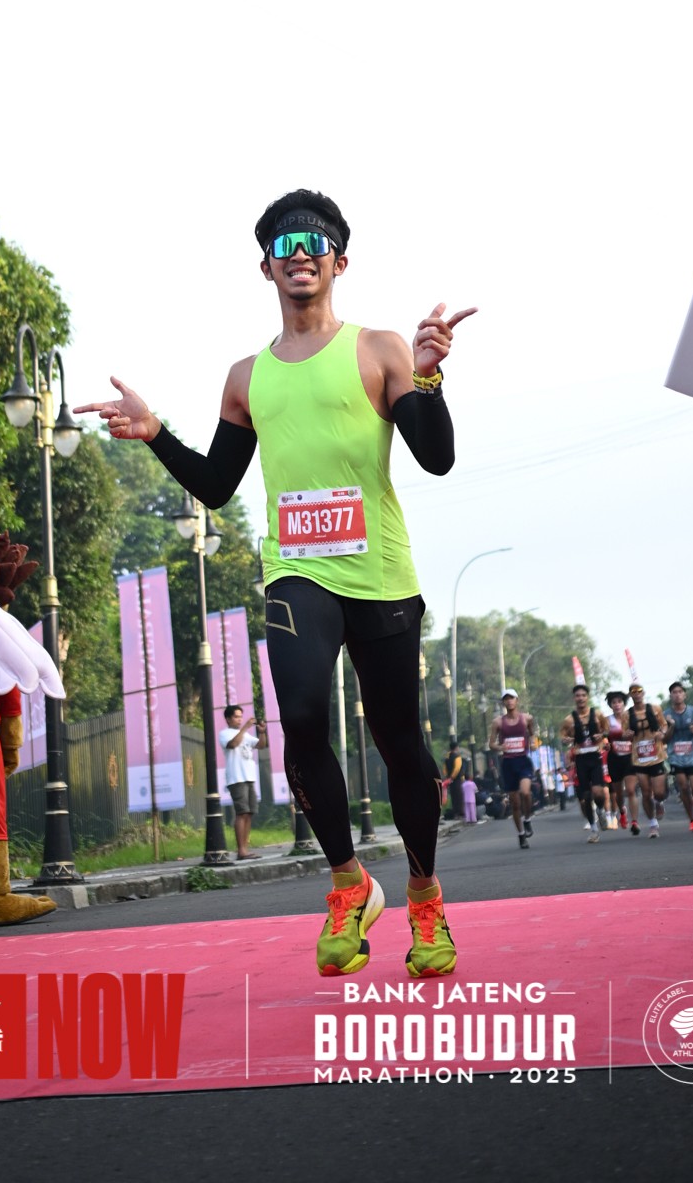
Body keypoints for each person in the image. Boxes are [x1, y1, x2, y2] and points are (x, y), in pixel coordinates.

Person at [76, 188, 471, 979]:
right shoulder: (245, 377)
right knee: (302, 718)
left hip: (381, 574)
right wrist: (155, 435)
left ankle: (425, 898)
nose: (299, 254)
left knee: (400, 741)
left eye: (314, 242)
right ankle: (348, 884)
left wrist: (427, 380)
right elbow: (217, 484)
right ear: (265, 268)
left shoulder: (381, 349)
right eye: (283, 244)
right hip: (296, 572)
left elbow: (436, 459)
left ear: (339, 262)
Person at [560, 684, 608, 841]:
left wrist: (602, 736)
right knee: (586, 796)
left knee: (598, 792)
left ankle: (601, 809)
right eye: (577, 696)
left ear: (587, 697)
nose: (580, 698)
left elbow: (606, 730)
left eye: (583, 695)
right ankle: (593, 829)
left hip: (595, 756)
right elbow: (563, 737)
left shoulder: (597, 714)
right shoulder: (569, 720)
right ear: (574, 698)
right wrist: (566, 740)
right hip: (580, 758)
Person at [490, 688, 537, 849]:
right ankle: (521, 835)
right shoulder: (498, 722)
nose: (509, 701)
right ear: (503, 702)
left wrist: (532, 742)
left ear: (517, 700)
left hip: (523, 761)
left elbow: (532, 734)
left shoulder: (526, 719)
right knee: (515, 803)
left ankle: (528, 820)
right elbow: (491, 743)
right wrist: (500, 747)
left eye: (512, 698)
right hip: (508, 763)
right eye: (506, 699)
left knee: (526, 792)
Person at [219, 704, 262, 859]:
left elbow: (261, 745)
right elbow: (232, 745)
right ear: (228, 719)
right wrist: (245, 728)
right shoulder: (225, 734)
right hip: (237, 778)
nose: (239, 719)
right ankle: (241, 850)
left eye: (241, 717)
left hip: (249, 777)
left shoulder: (246, 735)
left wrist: (262, 732)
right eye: (236, 717)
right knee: (241, 812)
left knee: (249, 813)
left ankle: (245, 849)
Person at [626, 683, 667, 837]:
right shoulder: (627, 714)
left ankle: (659, 802)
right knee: (645, 792)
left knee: (659, 792)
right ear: (630, 695)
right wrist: (627, 735)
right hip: (639, 758)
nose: (636, 693)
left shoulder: (655, 708)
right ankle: (653, 824)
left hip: (656, 755)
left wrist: (662, 733)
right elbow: (624, 733)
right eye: (633, 691)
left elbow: (664, 725)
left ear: (643, 693)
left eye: (639, 691)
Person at [664, 681, 693, 832]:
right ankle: (692, 820)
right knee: (683, 786)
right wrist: (671, 726)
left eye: (680, 692)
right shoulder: (666, 714)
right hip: (675, 756)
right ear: (670, 696)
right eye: (674, 692)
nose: (677, 695)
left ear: (685, 695)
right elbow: (665, 739)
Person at [603, 689, 634, 833]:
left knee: (630, 789)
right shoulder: (607, 721)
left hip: (630, 756)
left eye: (619, 702)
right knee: (618, 793)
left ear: (624, 704)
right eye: (614, 702)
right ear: (610, 705)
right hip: (614, 758)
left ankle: (634, 821)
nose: (617, 705)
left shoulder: (631, 718)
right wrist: (605, 743)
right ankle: (622, 811)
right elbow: (602, 737)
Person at [442, 737, 465, 820]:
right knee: (459, 796)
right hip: (457, 779)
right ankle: (460, 813)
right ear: (456, 747)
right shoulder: (457, 757)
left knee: (453, 796)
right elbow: (457, 768)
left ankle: (455, 812)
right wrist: (452, 777)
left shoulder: (447, 757)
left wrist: (447, 777)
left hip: (449, 780)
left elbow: (444, 768)